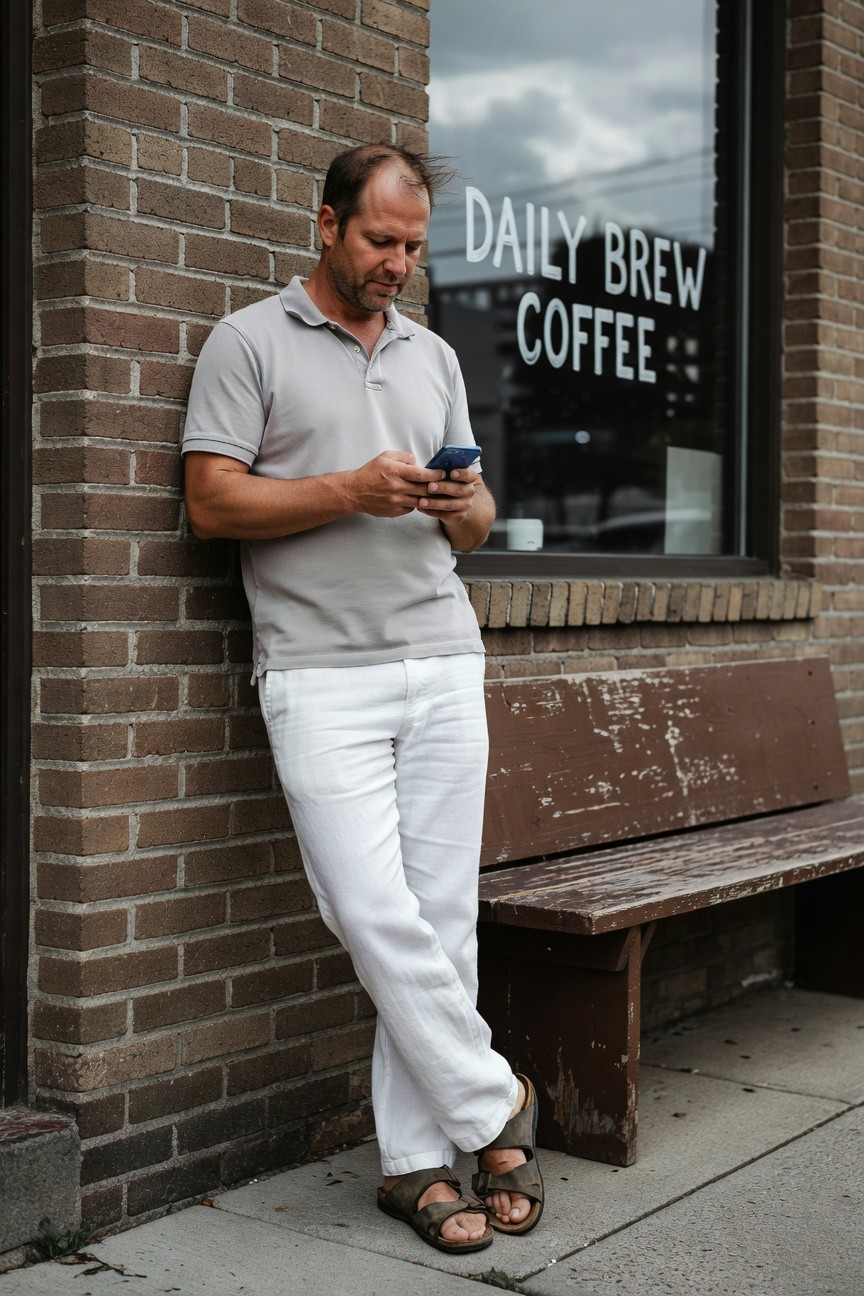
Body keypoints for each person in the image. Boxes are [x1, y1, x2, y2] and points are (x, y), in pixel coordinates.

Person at [182, 143, 543, 1255]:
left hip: (439, 659)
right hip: (317, 672)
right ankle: (497, 1102)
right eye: (381, 240)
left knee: (437, 923)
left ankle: (416, 1167)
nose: (398, 263)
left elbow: (471, 535)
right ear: (327, 226)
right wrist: (348, 488)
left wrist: (462, 500)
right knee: (367, 910)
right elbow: (209, 503)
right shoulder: (248, 342)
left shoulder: (434, 355)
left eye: (414, 247)